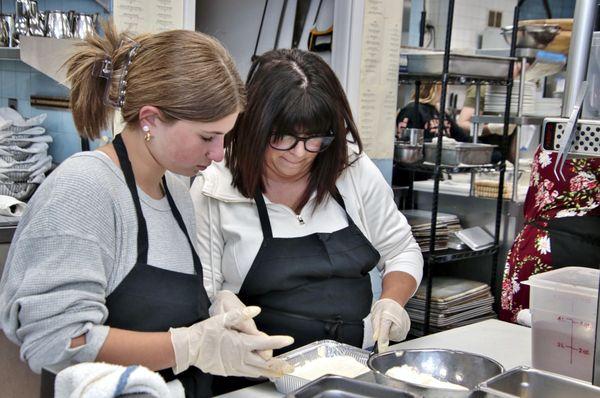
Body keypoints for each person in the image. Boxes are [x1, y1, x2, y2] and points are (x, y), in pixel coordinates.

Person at [0, 22, 293, 397]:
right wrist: (189, 346)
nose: (219, 154)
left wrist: (211, 310)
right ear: (151, 119)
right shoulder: (85, 188)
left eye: (225, 137)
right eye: (208, 137)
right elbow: (57, 341)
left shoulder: (174, 187)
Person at [191, 49, 423, 358]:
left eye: (314, 139)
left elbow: (401, 250)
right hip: (253, 376)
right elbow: (199, 294)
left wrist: (392, 301)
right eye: (283, 137)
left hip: (353, 365)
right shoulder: (214, 187)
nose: (299, 153)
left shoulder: (351, 169)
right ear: (253, 126)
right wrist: (218, 304)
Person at [500, 145, 600, 322]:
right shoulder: (581, 137)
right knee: (570, 339)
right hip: (575, 252)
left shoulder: (555, 135)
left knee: (524, 338)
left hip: (534, 243)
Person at [396, 82, 471, 143]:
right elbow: (406, 141)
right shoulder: (412, 110)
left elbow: (462, 137)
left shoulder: (440, 112)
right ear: (436, 86)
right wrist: (434, 141)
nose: (447, 88)